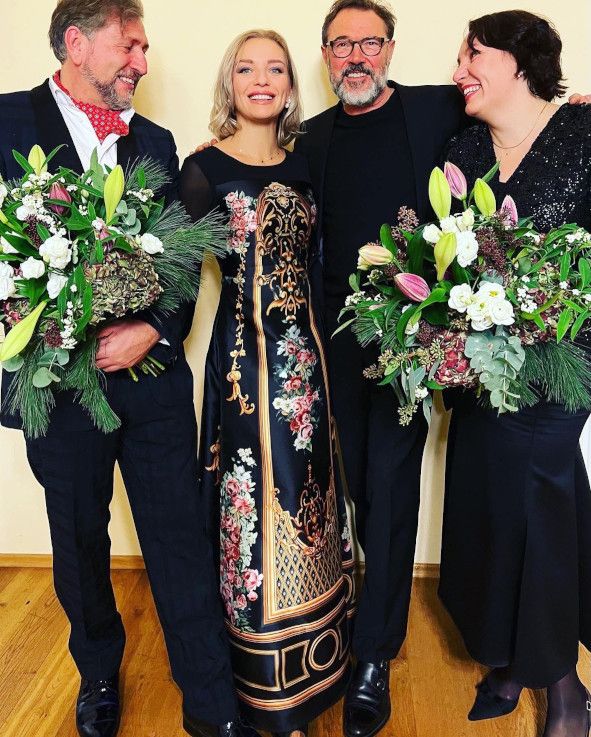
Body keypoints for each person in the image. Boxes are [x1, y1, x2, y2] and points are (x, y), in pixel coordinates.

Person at [0, 2, 245, 736]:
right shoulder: (6, 121)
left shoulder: (160, 143)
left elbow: (181, 260)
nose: (141, 60)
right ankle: (99, 673)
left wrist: (151, 329)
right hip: (58, 386)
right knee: (77, 539)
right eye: (128, 44)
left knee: (178, 532)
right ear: (76, 44)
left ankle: (210, 700)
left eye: (144, 47)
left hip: (154, 381)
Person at [293, 3, 466, 735]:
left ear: (390, 49)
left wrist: (573, 106)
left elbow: (515, 104)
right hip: (330, 345)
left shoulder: (432, 110)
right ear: (326, 54)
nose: (355, 56)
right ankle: (354, 613)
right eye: (342, 44)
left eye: (369, 42)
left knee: (391, 496)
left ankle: (372, 655)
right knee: (352, 489)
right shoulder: (312, 135)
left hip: (405, 343)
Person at [179, 29, 355, 737]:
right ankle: (259, 680)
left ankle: (319, 663)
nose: (261, 79)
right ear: (230, 83)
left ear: (288, 84)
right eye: (246, 68)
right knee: (251, 498)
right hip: (244, 370)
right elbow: (172, 276)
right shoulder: (202, 168)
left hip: (307, 365)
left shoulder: (310, 163)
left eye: (274, 68)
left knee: (310, 491)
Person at [438, 10, 591, 737]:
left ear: (520, 59)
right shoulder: (463, 147)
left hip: (563, 367)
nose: (457, 69)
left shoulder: (585, 132)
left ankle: (561, 684)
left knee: (534, 506)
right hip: (478, 374)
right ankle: (502, 655)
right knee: (489, 508)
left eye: (471, 54)